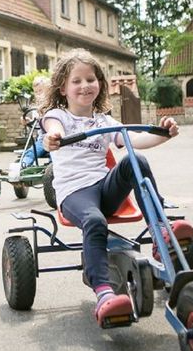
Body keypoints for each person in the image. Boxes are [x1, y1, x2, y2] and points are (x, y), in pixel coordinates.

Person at [40, 49, 179, 328]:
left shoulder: (104, 121)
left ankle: (159, 230)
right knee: (94, 220)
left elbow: (136, 139)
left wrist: (164, 134)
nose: (84, 85)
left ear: (100, 84)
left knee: (134, 160)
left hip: (104, 189)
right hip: (74, 194)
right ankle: (103, 294)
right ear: (63, 88)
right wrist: (53, 138)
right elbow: (51, 131)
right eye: (76, 81)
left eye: (90, 79)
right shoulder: (58, 116)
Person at [19, 76, 52, 168]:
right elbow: (35, 124)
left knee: (55, 153)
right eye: (36, 92)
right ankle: (23, 165)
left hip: (55, 140)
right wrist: (28, 121)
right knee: (31, 152)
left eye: (40, 91)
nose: (38, 95)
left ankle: (52, 167)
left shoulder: (54, 106)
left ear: (49, 91)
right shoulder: (36, 109)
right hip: (42, 140)